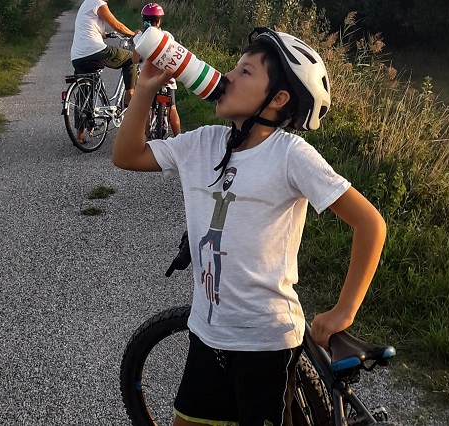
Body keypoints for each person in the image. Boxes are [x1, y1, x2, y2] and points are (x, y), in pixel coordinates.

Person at [112, 27, 386, 426]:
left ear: (277, 99)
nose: (229, 76)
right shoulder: (202, 143)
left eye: (246, 73)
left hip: (266, 345)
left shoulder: (290, 155)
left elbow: (370, 223)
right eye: (235, 67)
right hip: (206, 334)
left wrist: (344, 311)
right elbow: (126, 155)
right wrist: (145, 87)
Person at [70, 0, 138, 141]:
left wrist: (104, 34)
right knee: (131, 59)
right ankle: (129, 95)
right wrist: (134, 35)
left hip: (77, 56)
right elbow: (117, 25)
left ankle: (80, 135)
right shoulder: (98, 3)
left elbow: (91, 29)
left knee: (84, 91)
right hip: (94, 51)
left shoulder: (86, 4)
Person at [140, 2, 182, 136]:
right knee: (172, 108)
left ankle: (147, 134)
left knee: (146, 108)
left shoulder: (142, 38)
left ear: (143, 20)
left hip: (150, 80)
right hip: (167, 79)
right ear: (159, 21)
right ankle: (179, 137)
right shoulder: (167, 36)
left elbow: (136, 60)